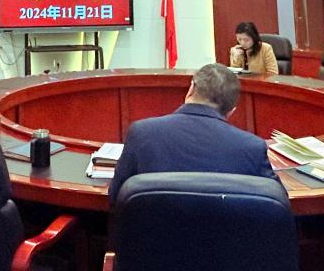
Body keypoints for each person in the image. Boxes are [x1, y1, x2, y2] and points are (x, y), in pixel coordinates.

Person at [109, 63, 278, 205]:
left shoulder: (142, 133)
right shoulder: (252, 147)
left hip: (153, 234)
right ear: (231, 111)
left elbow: (116, 197)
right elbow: (277, 205)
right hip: (225, 235)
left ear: (190, 90)